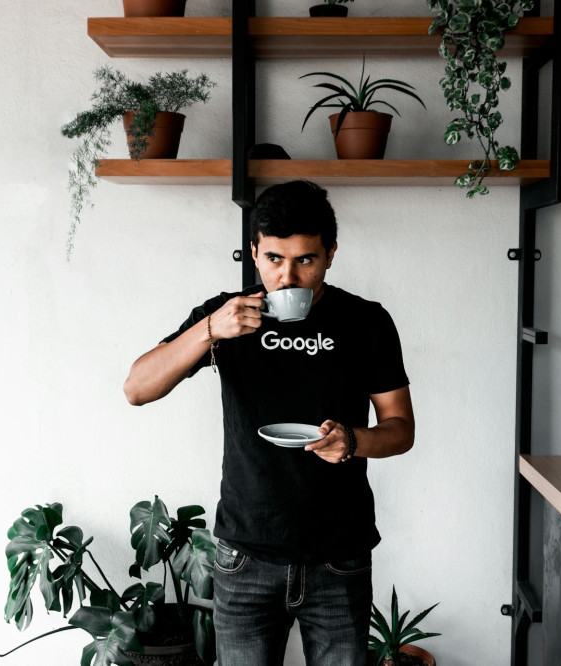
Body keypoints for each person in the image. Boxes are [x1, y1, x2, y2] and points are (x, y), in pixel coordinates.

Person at [123, 180, 415, 666]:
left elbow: (401, 428)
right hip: (245, 555)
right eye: (274, 258)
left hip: (338, 555)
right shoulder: (225, 316)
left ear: (331, 254)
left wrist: (353, 441)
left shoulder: (366, 321)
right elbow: (137, 388)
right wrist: (210, 329)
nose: (288, 276)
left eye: (306, 260)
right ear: (254, 253)